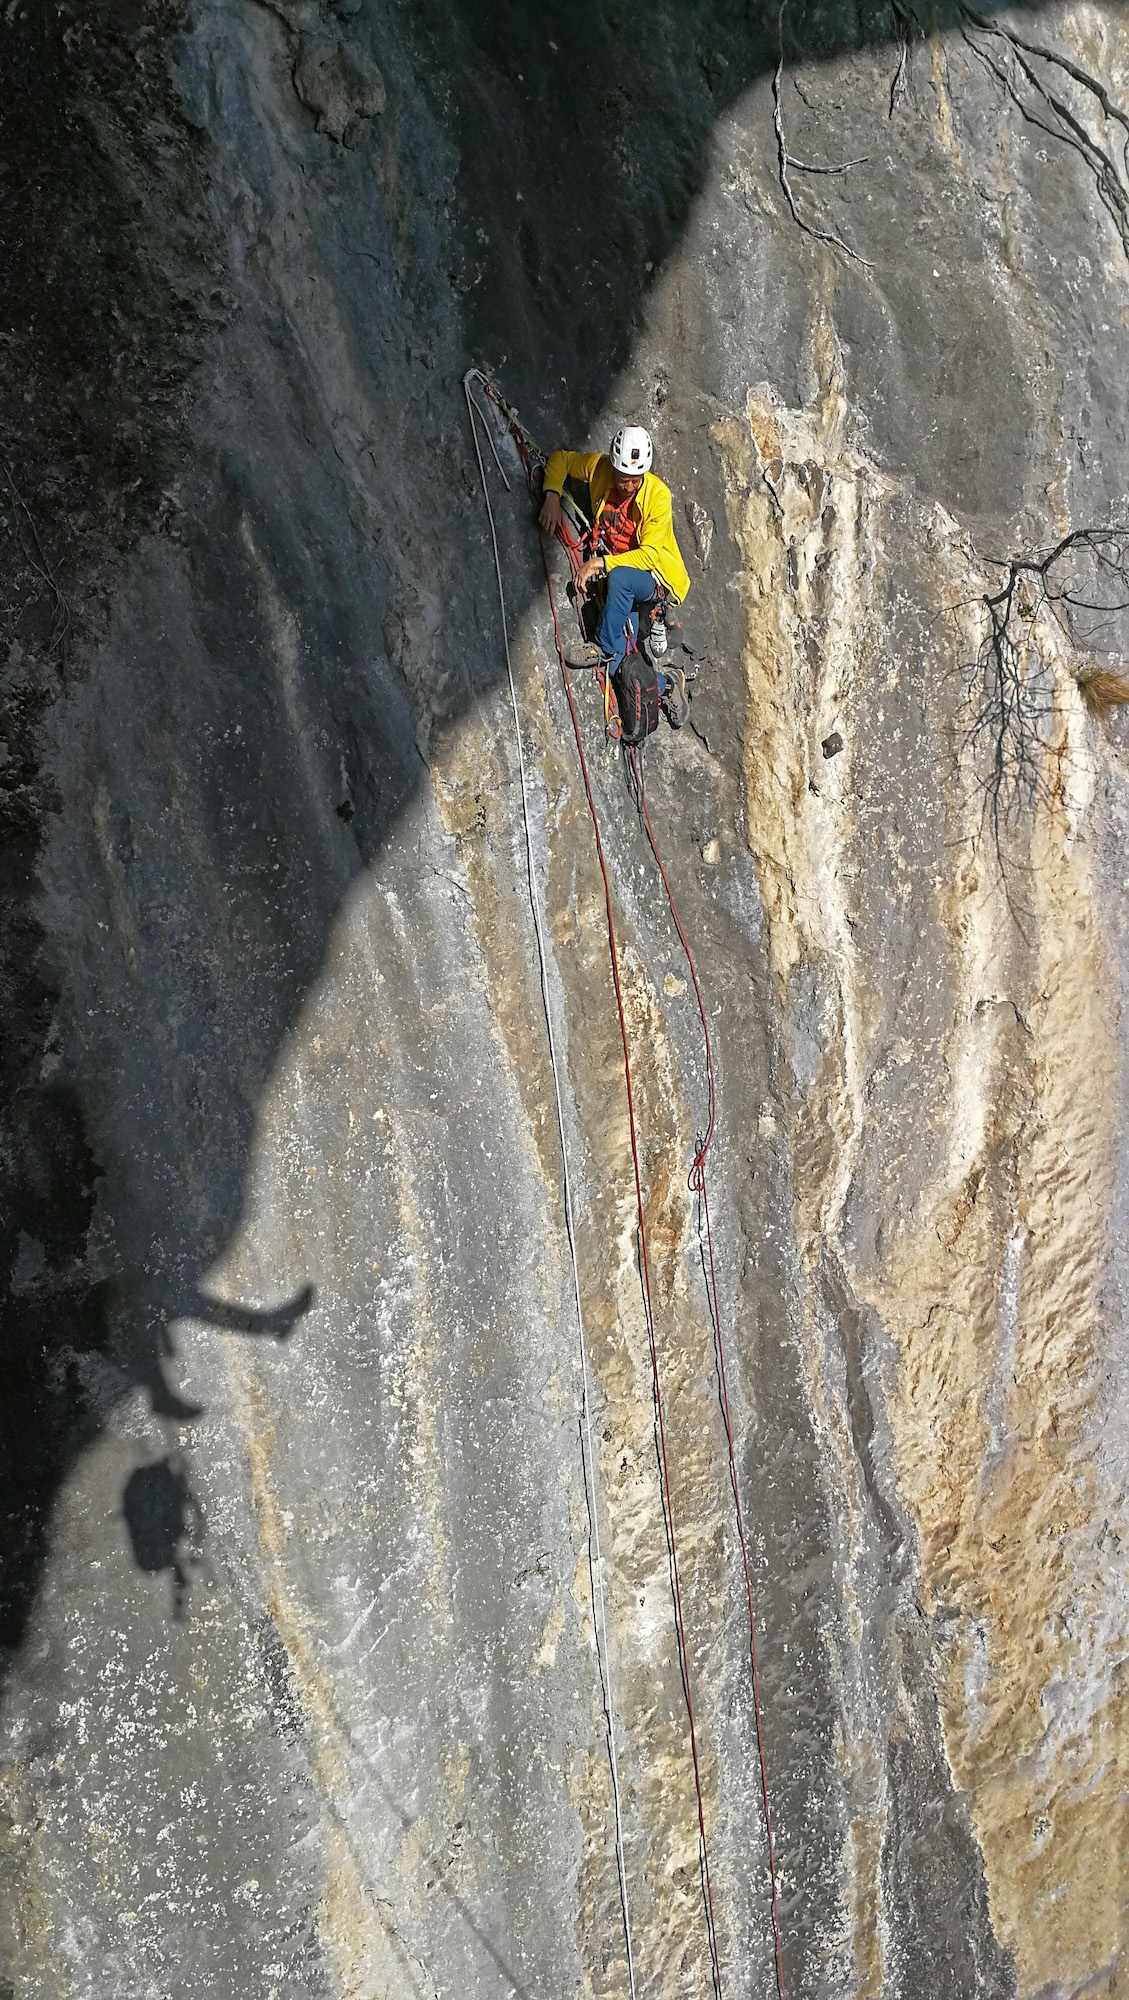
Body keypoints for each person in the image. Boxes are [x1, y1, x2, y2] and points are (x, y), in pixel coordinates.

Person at [538, 425, 691, 727]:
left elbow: (648, 554)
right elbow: (561, 460)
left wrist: (599, 564)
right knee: (618, 664)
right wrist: (552, 494)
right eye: (623, 479)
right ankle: (667, 685)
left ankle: (602, 647)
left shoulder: (658, 495)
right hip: (621, 575)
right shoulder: (600, 469)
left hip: (654, 579)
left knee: (620, 581)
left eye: (635, 480)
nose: (629, 486)